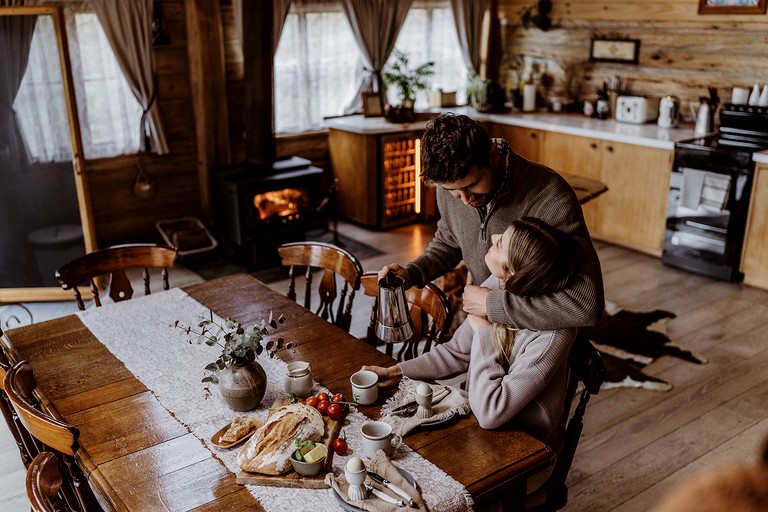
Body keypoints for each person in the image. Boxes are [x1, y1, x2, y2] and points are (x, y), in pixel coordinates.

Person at [365, 217, 579, 451]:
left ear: (513, 271)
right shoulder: (500, 285)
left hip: (527, 447)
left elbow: (490, 414)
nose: (494, 237)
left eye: (501, 244)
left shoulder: (552, 336)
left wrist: (484, 331)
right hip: (479, 422)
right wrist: (397, 371)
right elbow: (457, 352)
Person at [380, 113, 604, 331]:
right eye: (454, 192)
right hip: (489, 324)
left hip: (540, 334)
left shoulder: (550, 196)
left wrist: (492, 304)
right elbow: (450, 242)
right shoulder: (449, 186)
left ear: (493, 155)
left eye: (473, 184)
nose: (466, 200)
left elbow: (586, 306)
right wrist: (412, 272)